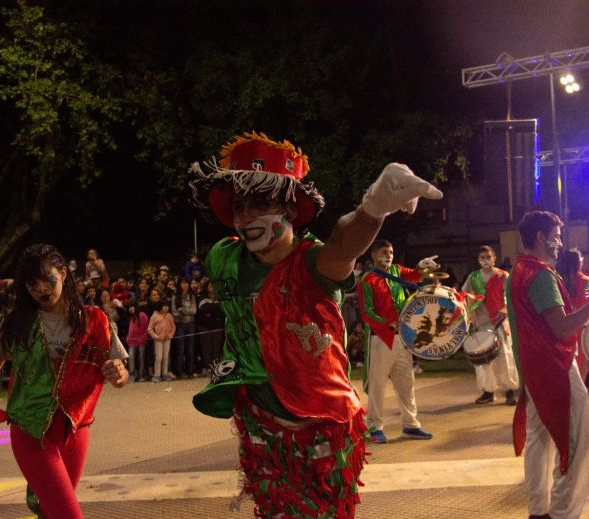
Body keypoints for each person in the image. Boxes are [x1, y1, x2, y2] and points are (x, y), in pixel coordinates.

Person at [188, 131, 442, 517]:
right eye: (239, 206)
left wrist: (373, 209)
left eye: (260, 202)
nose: (246, 216)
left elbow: (345, 245)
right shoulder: (224, 258)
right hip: (260, 420)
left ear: (290, 207)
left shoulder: (314, 263)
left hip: (323, 423)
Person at [0, 244, 129, 519]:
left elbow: (120, 372)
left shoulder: (94, 320)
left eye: (47, 280)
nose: (41, 289)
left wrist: (119, 374)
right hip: (30, 430)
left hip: (76, 431)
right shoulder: (17, 323)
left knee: (51, 512)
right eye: (32, 284)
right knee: (68, 514)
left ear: (63, 273)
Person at [506, 211, 589, 519]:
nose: (560, 243)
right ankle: (563, 513)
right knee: (573, 445)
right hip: (555, 368)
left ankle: (538, 511)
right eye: (556, 236)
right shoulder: (540, 274)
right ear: (542, 237)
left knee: (539, 442)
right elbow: (561, 328)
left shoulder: (517, 270)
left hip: (533, 368)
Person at [357, 239, 435, 443]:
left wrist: (422, 266)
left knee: (406, 383)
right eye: (384, 252)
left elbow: (415, 275)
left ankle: (411, 425)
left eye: (391, 252)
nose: (388, 255)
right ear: (373, 255)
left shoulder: (397, 271)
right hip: (380, 338)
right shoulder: (367, 279)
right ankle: (374, 426)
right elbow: (367, 313)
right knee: (377, 385)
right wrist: (388, 323)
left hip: (402, 338)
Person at [461, 245, 519, 405]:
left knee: (505, 355)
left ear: (494, 258)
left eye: (488, 257)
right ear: (478, 260)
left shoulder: (503, 275)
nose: (486, 260)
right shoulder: (473, 277)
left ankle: (510, 390)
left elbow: (511, 294)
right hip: (481, 321)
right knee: (483, 358)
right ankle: (488, 391)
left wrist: (505, 308)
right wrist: (470, 313)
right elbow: (464, 295)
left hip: (500, 320)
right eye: (482, 257)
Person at [555, 248, 589, 380]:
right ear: (579, 262)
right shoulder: (586, 281)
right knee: (581, 364)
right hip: (581, 325)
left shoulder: (558, 280)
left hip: (565, 325)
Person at [196, 281, 224, 376]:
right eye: (211, 285)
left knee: (217, 348)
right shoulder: (202, 297)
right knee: (206, 348)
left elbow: (221, 310)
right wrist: (214, 309)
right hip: (204, 327)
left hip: (217, 327)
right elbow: (202, 309)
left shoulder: (219, 297)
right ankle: (207, 367)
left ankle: (216, 368)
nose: (213, 288)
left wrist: (210, 311)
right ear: (207, 287)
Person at [172, 278, 197, 378]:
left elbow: (194, 311)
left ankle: (190, 371)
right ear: (179, 285)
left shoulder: (192, 296)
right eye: (183, 283)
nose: (185, 285)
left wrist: (182, 309)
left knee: (190, 348)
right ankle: (179, 372)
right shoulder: (175, 297)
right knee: (180, 348)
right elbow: (174, 312)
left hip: (191, 324)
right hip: (179, 325)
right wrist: (187, 311)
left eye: (187, 283)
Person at [148, 298, 176, 382]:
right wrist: (155, 336)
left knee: (165, 357)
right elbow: (150, 328)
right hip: (158, 340)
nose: (166, 308)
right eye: (164, 306)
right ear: (160, 306)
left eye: (167, 306)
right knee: (158, 357)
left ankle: (165, 374)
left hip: (167, 339)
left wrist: (171, 335)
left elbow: (173, 327)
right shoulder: (154, 316)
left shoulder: (169, 316)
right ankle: (157, 375)